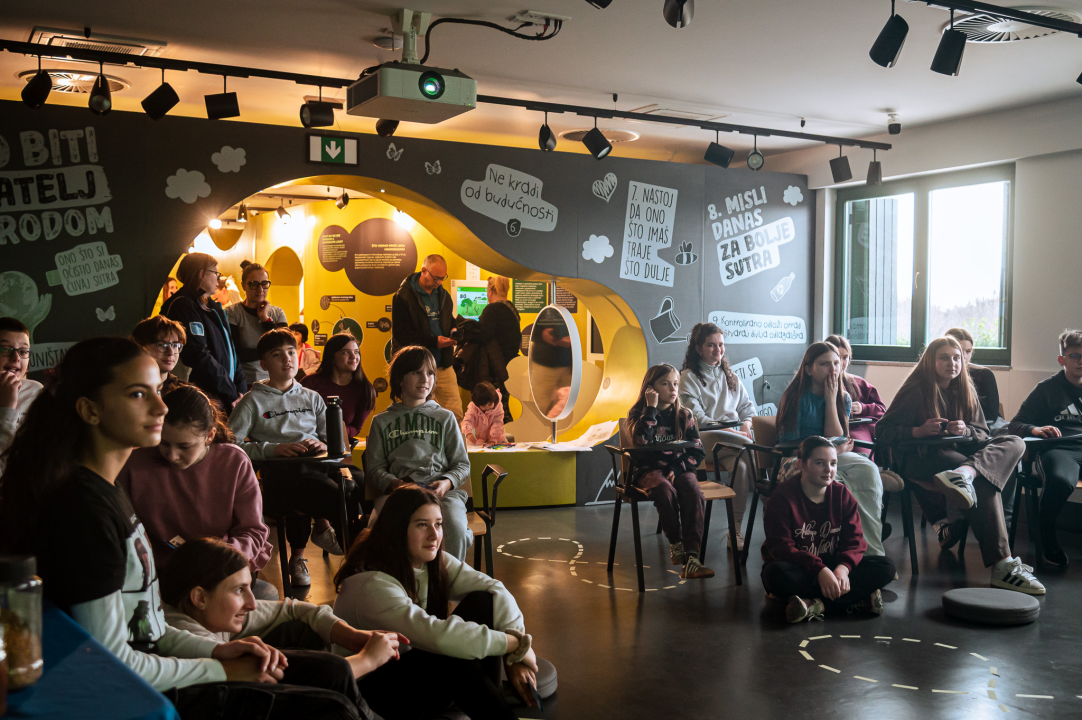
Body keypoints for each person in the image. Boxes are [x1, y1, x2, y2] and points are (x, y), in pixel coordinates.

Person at [0, 337, 288, 697]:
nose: (161, 407)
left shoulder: (107, 490)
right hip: (135, 693)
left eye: (157, 391)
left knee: (327, 670)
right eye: (139, 394)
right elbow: (113, 660)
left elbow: (145, 623)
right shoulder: (83, 511)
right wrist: (221, 669)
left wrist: (214, 649)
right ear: (91, 411)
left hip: (161, 667)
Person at [333, 485, 539, 720]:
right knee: (447, 652)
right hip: (371, 697)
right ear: (396, 529)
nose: (435, 535)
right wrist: (513, 644)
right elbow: (438, 637)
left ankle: (488, 698)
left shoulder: (428, 560)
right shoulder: (371, 584)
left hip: (414, 678)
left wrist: (516, 657)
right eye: (422, 525)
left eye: (438, 524)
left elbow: (495, 589)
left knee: (483, 601)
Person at [161, 538, 405, 720]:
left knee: (300, 629)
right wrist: (367, 660)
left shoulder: (209, 612)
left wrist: (352, 636)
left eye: (249, 588)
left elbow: (296, 609)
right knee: (336, 699)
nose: (252, 603)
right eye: (239, 590)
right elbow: (287, 684)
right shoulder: (184, 636)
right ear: (199, 597)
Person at [877, 336, 1043, 594]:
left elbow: (982, 434)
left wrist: (965, 431)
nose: (952, 363)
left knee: (1015, 442)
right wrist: (918, 431)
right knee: (983, 482)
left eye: (956, 358)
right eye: (944, 358)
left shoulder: (966, 388)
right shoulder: (915, 389)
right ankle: (1003, 565)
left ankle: (964, 473)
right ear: (931, 361)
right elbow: (882, 430)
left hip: (958, 456)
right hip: (920, 457)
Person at [118, 384, 278, 600]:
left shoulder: (234, 461)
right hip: (159, 574)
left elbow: (252, 530)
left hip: (221, 568)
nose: (172, 455)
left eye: (184, 447)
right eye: (163, 443)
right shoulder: (135, 463)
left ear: (210, 436)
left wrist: (219, 560)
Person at [230, 328, 360, 586]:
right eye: (277, 355)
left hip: (318, 468)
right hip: (280, 477)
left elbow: (333, 442)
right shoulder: (252, 402)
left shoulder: (312, 397)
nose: (287, 359)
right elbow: (230, 445)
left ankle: (350, 551)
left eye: (291, 352)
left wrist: (319, 443)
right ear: (264, 364)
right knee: (331, 493)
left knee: (358, 482)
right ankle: (355, 561)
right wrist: (271, 449)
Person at [762, 437, 896, 623]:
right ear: (801, 465)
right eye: (819, 463)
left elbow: (855, 540)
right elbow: (781, 547)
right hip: (801, 567)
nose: (828, 470)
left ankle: (815, 605)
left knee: (886, 567)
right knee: (774, 575)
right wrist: (820, 569)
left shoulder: (842, 494)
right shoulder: (783, 496)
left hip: (833, 566)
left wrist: (843, 568)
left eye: (833, 463)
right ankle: (855, 600)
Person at [776, 342, 887, 557]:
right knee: (835, 482)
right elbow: (789, 444)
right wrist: (832, 450)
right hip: (795, 460)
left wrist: (830, 400)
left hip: (833, 456)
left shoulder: (843, 397)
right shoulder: (794, 397)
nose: (833, 369)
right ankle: (836, 551)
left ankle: (871, 553)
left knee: (868, 471)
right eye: (825, 364)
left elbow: (836, 437)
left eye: (836, 363)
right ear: (809, 369)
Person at [366, 346, 473, 561]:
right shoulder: (381, 421)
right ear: (399, 379)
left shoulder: (446, 418)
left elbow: (462, 465)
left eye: (430, 373)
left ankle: (445, 587)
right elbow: (374, 469)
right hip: (398, 494)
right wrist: (394, 484)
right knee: (378, 531)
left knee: (456, 530)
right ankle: (395, 587)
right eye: (416, 372)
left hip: (442, 494)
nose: (425, 379)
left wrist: (446, 483)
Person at [628, 363, 713, 579]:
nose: (673, 389)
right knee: (664, 489)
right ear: (651, 389)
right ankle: (676, 543)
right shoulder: (638, 413)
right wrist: (651, 408)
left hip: (678, 469)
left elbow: (697, 452)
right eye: (665, 384)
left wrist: (677, 468)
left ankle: (692, 558)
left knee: (693, 491)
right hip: (649, 471)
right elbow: (641, 440)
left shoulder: (684, 415)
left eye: (675, 384)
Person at [678, 322, 756, 551]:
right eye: (711, 345)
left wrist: (747, 425)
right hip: (705, 439)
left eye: (721, 345)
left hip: (732, 444)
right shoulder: (688, 377)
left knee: (741, 468)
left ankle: (736, 531)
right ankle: (752, 449)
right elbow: (698, 420)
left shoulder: (730, 376)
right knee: (748, 447)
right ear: (698, 348)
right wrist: (732, 432)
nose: (717, 350)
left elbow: (748, 410)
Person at [1008, 329, 1082, 566]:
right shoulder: (1046, 389)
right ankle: (1046, 536)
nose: (1081, 361)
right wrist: (1035, 430)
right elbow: (1015, 423)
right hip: (1060, 449)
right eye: (1075, 356)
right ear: (1062, 360)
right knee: (1061, 481)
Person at [161, 252, 246, 409]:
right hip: (200, 398)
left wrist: (240, 387)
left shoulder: (211, 307)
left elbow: (230, 349)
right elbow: (198, 354)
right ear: (201, 274)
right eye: (216, 273)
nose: (218, 278)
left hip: (223, 393)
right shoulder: (183, 306)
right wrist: (231, 391)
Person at [391, 254, 464, 421]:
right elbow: (402, 335)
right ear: (423, 271)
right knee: (418, 414)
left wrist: (453, 329)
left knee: (455, 413)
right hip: (415, 366)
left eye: (442, 278)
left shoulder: (443, 294)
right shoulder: (403, 295)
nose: (438, 282)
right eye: (435, 277)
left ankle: (453, 446)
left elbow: (448, 319)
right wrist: (434, 342)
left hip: (443, 363)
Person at [301, 333, 376, 441]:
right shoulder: (310, 383)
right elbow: (297, 419)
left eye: (356, 352)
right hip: (308, 443)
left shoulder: (365, 389)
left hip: (339, 445)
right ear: (331, 357)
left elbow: (356, 428)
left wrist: (335, 431)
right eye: (346, 352)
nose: (354, 356)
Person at [226, 262, 289, 388]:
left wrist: (266, 320)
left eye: (264, 284)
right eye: (254, 284)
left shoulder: (277, 312)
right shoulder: (232, 312)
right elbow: (236, 352)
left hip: (275, 381)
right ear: (243, 286)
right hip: (243, 381)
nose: (260, 289)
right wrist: (270, 351)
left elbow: (285, 345)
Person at [824, 334, 887, 456]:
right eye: (837, 358)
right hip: (829, 432)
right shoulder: (817, 385)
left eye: (845, 357)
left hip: (857, 429)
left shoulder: (858, 383)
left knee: (860, 449)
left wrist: (863, 408)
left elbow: (882, 410)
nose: (841, 363)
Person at [477, 276, 521, 422]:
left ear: (490, 291)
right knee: (503, 408)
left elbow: (483, 336)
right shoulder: (512, 309)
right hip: (509, 367)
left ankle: (498, 441)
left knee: (492, 410)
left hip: (495, 369)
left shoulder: (491, 310)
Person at [946, 327, 1005, 431]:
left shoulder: (984, 374)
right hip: (954, 428)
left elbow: (992, 414)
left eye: (968, 351)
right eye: (959, 350)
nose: (964, 356)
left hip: (986, 425)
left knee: (1013, 439)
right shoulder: (943, 375)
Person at [0, 317, 42, 463]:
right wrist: (6, 408)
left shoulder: (36, 392)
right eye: (5, 349)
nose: (16, 357)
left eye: (23, 351)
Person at [131, 315, 187, 396]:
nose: (171, 352)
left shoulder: (183, 392)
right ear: (140, 346)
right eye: (162, 345)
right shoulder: (125, 386)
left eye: (175, 345)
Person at [461, 381, 507, 446]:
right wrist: (468, 433)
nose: (487, 407)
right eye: (483, 406)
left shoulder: (498, 407)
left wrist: (493, 438)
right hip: (479, 441)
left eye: (490, 404)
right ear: (477, 404)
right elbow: (467, 421)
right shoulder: (473, 408)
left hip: (498, 440)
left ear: (494, 399)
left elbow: (497, 424)